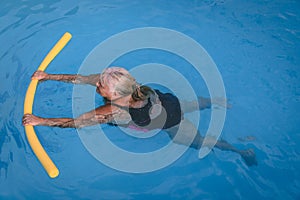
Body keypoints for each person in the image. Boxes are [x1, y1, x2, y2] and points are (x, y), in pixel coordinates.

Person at [22, 67, 257, 166]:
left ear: (113, 94)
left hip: (169, 121)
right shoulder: (126, 83)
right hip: (167, 99)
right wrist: (48, 76)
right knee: (187, 105)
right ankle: (216, 102)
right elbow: (81, 78)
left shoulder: (114, 111)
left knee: (198, 142)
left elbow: (77, 123)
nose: (97, 85)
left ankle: (240, 151)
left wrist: (40, 120)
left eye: (100, 86)